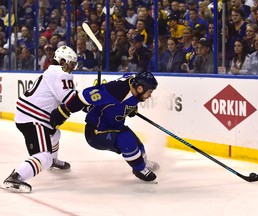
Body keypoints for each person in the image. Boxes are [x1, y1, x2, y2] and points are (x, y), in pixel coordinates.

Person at [50, 72, 160, 182]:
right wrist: (65, 110)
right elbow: (83, 96)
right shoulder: (114, 92)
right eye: (149, 91)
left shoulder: (133, 83)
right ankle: (139, 169)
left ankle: (142, 162)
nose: (150, 95)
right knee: (127, 140)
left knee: (138, 145)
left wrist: (131, 108)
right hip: (96, 133)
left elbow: (128, 77)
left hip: (115, 126)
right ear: (140, 88)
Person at [2, 45, 78, 193]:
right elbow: (70, 99)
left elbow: (68, 97)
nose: (72, 67)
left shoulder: (53, 71)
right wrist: (91, 100)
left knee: (55, 134)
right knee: (44, 156)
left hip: (31, 114)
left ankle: (52, 161)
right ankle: (16, 176)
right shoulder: (61, 73)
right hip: (34, 118)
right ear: (62, 61)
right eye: (71, 63)